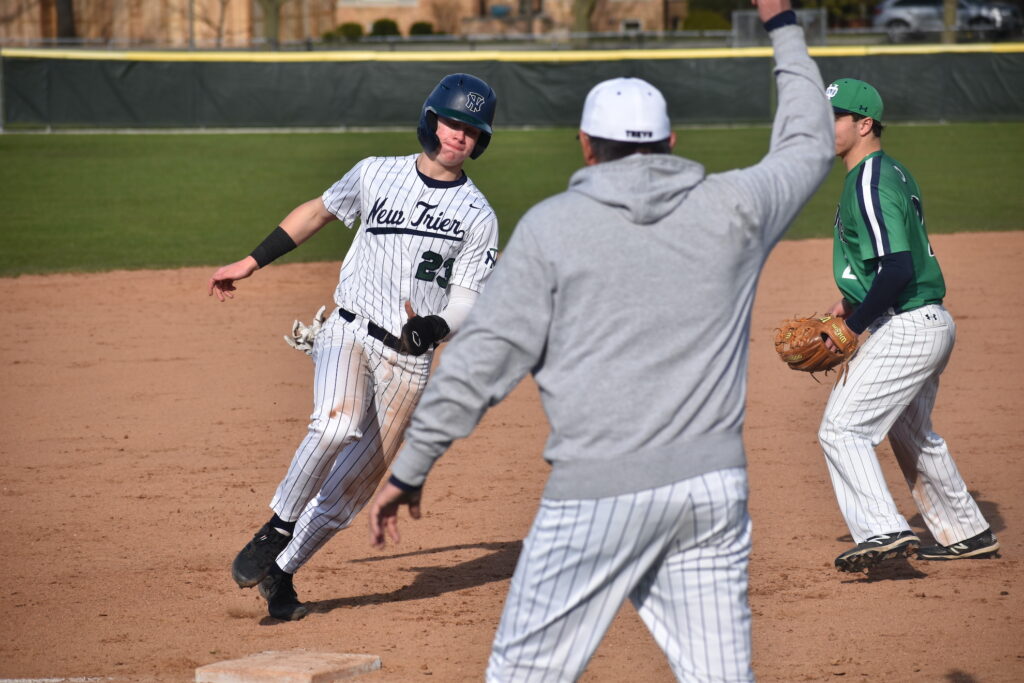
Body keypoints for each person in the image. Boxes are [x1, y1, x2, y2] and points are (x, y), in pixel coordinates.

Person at [367, 2, 833, 678]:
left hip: (595, 495)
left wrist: (411, 467)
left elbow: (477, 363)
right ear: (671, 144)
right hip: (711, 491)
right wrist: (783, 24)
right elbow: (810, 143)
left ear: (586, 146)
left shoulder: (552, 229)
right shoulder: (735, 207)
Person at [207, 73, 500, 620]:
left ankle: (282, 571)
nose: (459, 136)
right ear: (431, 120)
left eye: (471, 130)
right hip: (349, 328)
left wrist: (433, 328)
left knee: (347, 495)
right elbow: (317, 212)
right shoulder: (375, 173)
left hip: (408, 363)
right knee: (335, 423)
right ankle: (276, 525)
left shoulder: (478, 215)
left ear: (480, 141)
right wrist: (251, 261)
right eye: (452, 122)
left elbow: (467, 299)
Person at [819, 78, 999, 573]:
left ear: (863, 124)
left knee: (842, 428)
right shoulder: (892, 171)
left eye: (833, 116)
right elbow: (893, 263)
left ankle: (882, 529)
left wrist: (855, 325)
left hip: (910, 324)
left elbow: (896, 268)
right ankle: (965, 530)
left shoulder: (867, 179)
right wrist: (851, 300)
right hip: (928, 320)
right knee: (910, 429)